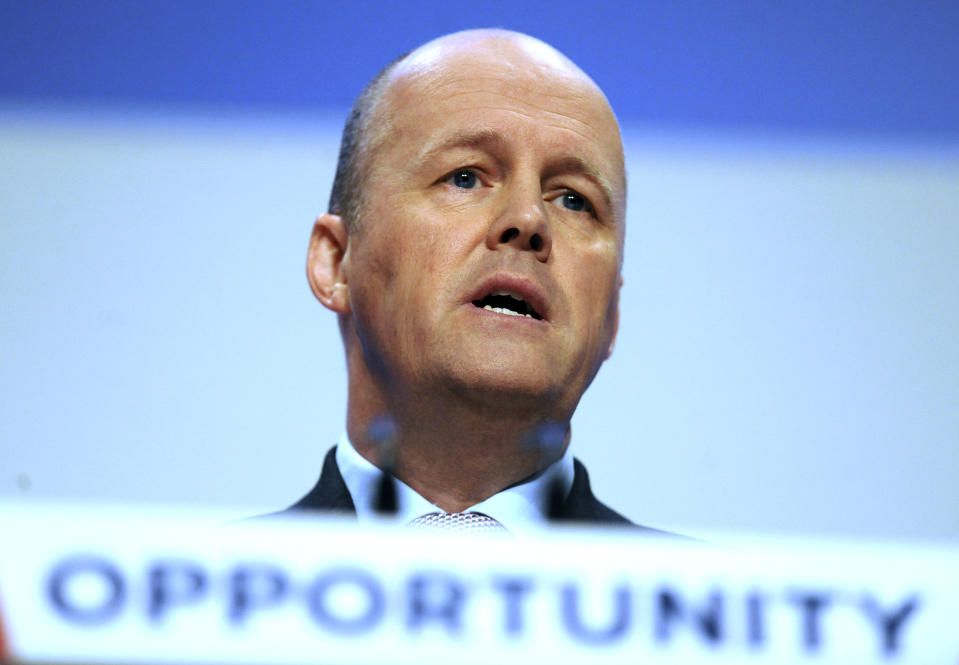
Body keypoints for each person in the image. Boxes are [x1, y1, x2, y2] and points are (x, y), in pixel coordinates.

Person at [282, 28, 659, 533]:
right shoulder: (197, 602)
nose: (528, 221)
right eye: (465, 177)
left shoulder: (710, 607)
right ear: (336, 261)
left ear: (612, 315)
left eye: (573, 199)